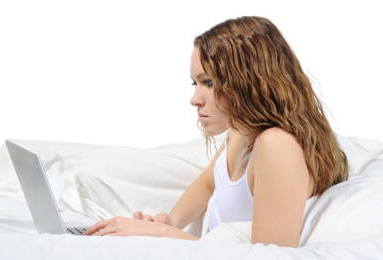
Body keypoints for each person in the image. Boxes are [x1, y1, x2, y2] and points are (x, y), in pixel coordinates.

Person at [84, 16, 349, 247]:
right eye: (194, 82)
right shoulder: (240, 133)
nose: (195, 99)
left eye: (208, 83)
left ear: (250, 80)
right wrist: (171, 221)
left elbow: (271, 259)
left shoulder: (276, 145)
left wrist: (159, 233)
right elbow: (208, 183)